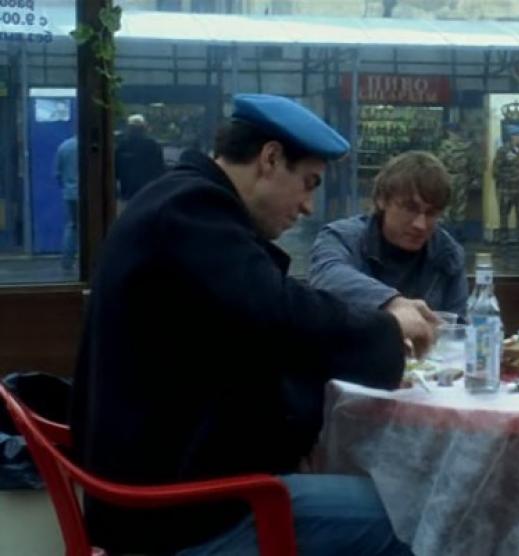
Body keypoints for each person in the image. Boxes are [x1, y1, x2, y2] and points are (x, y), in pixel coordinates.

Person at [70, 94, 435, 556]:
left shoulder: (179, 202)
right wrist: (389, 327)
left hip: (154, 494)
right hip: (180, 515)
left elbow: (249, 331)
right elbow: (278, 310)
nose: (308, 206)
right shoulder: (191, 210)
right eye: (308, 183)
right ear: (270, 159)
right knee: (418, 515)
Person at [310, 150, 468, 319]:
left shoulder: (447, 254)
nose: (420, 225)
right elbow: (326, 276)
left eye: (431, 213)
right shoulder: (342, 238)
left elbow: (457, 324)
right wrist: (393, 303)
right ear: (382, 200)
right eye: (410, 209)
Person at [115, 113, 166, 207]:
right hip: (145, 194)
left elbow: (115, 171)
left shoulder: (123, 146)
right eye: (135, 129)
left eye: (136, 129)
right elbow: (160, 170)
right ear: (144, 129)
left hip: (130, 194)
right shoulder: (152, 145)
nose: (136, 131)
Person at [436, 122, 476, 239]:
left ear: (449, 132)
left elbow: (439, 163)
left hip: (448, 177)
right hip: (463, 177)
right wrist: (471, 177)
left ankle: (446, 232)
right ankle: (459, 232)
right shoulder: (467, 146)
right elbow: (472, 165)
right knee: (461, 205)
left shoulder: (445, 146)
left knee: (447, 203)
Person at [492, 126, 519, 243]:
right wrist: (509, 177)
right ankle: (503, 237)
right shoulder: (503, 151)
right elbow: (496, 170)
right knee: (504, 214)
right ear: (513, 137)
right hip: (507, 189)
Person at [54, 135, 79, 272]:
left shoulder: (64, 146)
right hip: (90, 194)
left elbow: (57, 174)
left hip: (70, 194)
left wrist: (67, 187)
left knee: (72, 226)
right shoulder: (89, 147)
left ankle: (67, 262)